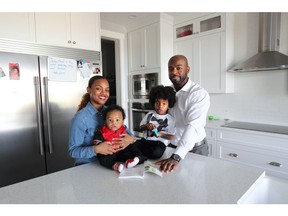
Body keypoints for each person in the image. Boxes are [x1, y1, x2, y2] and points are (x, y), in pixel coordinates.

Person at [155, 55, 210, 173]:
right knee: (171, 184)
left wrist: (177, 156)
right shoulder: (168, 92)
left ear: (187, 69)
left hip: (194, 149)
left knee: (194, 187)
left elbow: (193, 126)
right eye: (170, 69)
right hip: (172, 146)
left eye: (179, 68)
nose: (174, 72)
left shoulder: (198, 94)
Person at [68, 75, 136, 166]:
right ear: (89, 90)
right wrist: (96, 149)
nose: (104, 93)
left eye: (107, 90)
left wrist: (131, 139)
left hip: (113, 163)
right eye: (98, 89)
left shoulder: (111, 112)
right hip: (88, 167)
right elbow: (73, 151)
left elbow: (128, 133)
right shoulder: (80, 118)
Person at [94, 104, 147, 172]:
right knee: (102, 158)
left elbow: (131, 139)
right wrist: (100, 145)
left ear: (122, 121)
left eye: (117, 120)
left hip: (122, 151)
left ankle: (137, 159)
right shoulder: (102, 131)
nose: (114, 123)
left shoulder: (123, 128)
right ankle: (114, 166)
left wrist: (130, 140)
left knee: (133, 147)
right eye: (110, 120)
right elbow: (97, 141)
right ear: (105, 121)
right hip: (110, 152)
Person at [136, 85, 176, 159]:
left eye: (164, 103)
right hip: (145, 141)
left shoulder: (171, 119)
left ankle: (139, 155)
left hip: (159, 144)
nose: (160, 106)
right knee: (132, 145)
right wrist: (146, 126)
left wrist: (161, 135)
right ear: (153, 102)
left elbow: (172, 136)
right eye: (157, 103)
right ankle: (139, 154)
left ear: (169, 105)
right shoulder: (150, 114)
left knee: (156, 153)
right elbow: (140, 128)